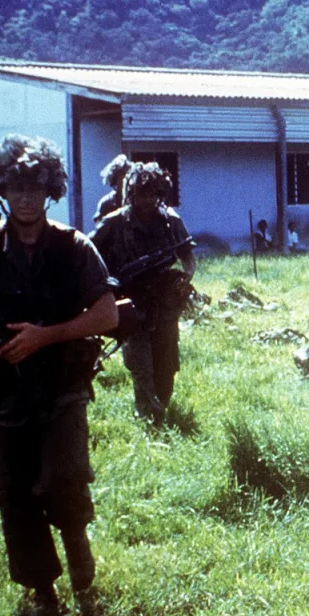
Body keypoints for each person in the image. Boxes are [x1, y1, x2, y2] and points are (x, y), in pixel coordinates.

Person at [0, 134, 118, 616]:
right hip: (5, 395)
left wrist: (46, 336)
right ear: (2, 191)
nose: (26, 198)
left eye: (36, 187)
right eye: (16, 187)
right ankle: (43, 594)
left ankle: (78, 552)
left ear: (51, 189)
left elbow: (106, 313)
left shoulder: (74, 246)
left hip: (61, 389)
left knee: (63, 480)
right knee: (12, 492)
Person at [91, 162, 195, 422]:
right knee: (141, 365)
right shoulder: (115, 223)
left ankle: (162, 407)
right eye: (140, 194)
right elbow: (88, 255)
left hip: (164, 305)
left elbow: (187, 256)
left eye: (152, 194)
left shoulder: (171, 221)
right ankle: (148, 417)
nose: (146, 200)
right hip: (130, 303)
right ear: (130, 194)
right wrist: (107, 287)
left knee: (167, 364)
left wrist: (186, 277)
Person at [92, 154, 132, 225]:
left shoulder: (135, 201)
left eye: (128, 176)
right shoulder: (106, 203)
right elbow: (99, 226)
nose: (126, 180)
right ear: (114, 178)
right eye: (122, 176)